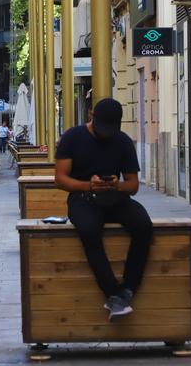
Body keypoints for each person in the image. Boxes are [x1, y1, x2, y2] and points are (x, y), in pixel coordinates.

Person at [53, 98, 152, 320]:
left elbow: (133, 186)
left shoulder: (123, 142)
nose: (106, 134)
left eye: (111, 130)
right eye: (102, 128)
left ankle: (128, 288)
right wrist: (89, 185)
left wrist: (116, 185)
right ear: (91, 115)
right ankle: (112, 292)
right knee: (89, 231)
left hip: (114, 197)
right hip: (82, 197)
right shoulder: (73, 137)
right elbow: (60, 179)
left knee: (143, 225)